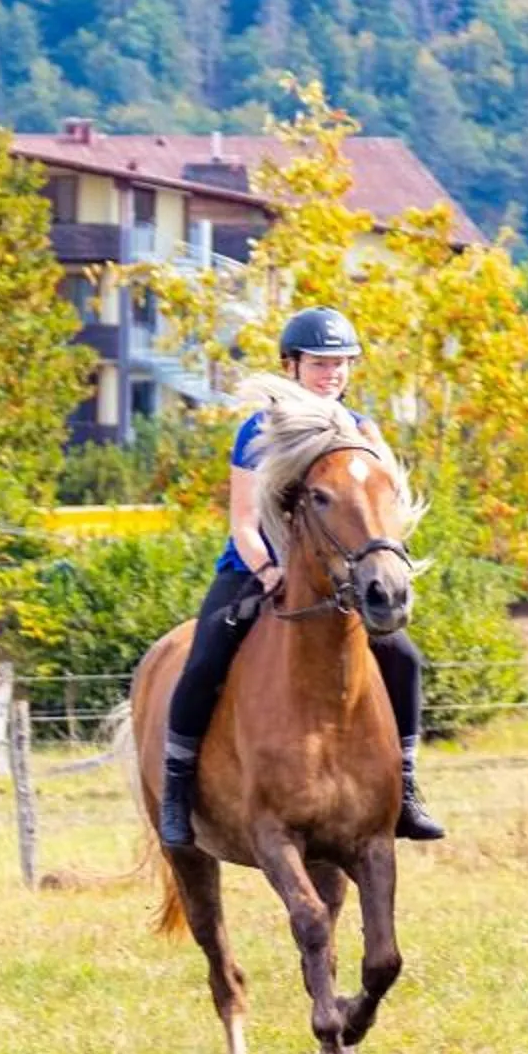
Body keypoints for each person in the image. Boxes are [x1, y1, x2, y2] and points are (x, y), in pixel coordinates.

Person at [155, 305, 445, 849]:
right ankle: (175, 791)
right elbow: (243, 521)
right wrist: (267, 568)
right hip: (254, 571)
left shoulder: (362, 431)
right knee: (204, 656)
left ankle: (404, 785)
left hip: (338, 578)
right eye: (321, 363)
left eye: (342, 363)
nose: (332, 373)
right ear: (291, 366)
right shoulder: (259, 429)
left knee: (404, 657)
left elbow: (379, 512)